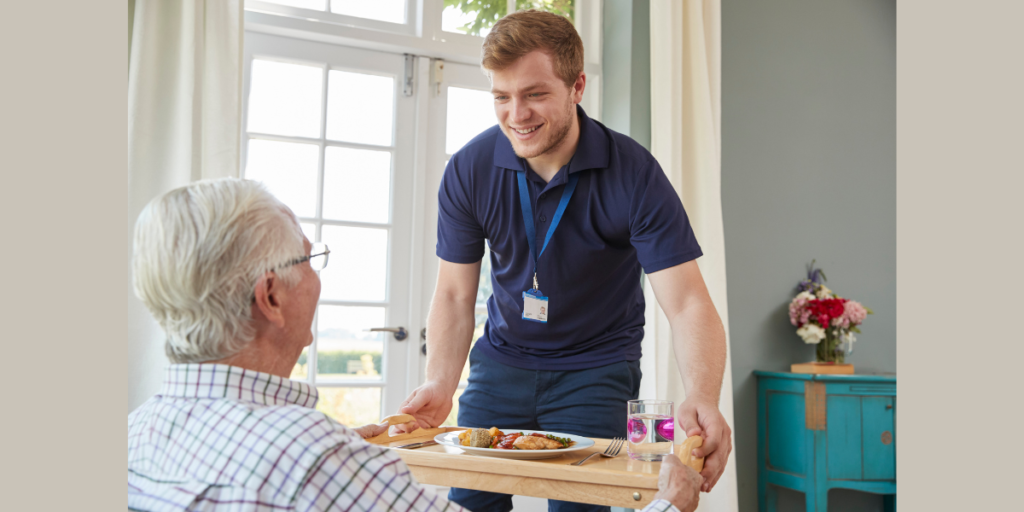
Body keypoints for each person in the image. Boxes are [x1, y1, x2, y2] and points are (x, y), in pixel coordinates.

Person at [127, 178, 703, 512]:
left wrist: (352, 443)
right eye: (308, 257)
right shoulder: (311, 455)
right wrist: (667, 505)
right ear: (271, 297)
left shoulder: (134, 435)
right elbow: (301, 468)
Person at [395, 10, 732, 512]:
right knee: (469, 501)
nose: (517, 114)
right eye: (502, 97)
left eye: (534, 94)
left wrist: (703, 395)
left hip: (595, 369)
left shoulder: (634, 173)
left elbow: (687, 303)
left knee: (580, 505)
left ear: (577, 86)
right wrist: (441, 382)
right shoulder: (469, 169)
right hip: (501, 364)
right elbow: (453, 293)